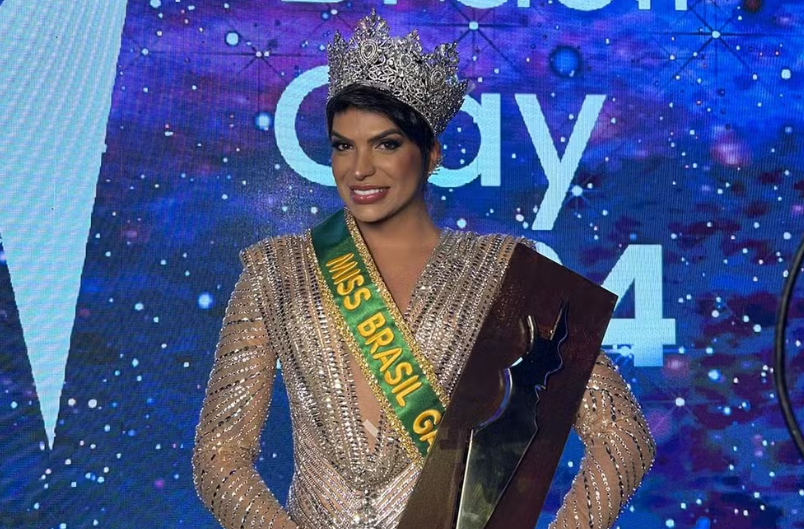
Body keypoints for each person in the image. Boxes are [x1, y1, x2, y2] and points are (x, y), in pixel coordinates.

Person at [192, 9, 655, 529]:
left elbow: (624, 440)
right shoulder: (274, 271)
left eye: (386, 144)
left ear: (431, 154)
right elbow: (218, 456)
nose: (359, 168)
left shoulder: (503, 270)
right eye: (344, 145)